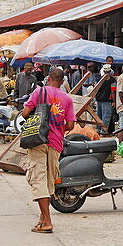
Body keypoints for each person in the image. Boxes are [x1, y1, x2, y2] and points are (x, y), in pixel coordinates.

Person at [21, 67, 76, 234]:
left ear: (49, 78)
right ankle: (42, 218)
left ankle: (47, 222)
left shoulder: (40, 92)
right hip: (56, 143)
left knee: (38, 179)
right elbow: (71, 125)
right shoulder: (67, 98)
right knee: (48, 181)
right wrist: (57, 125)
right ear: (62, 81)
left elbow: (25, 113)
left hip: (38, 140)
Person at [94, 64, 116, 133]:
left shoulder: (98, 79)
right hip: (107, 100)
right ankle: (104, 130)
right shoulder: (112, 80)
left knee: (99, 116)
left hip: (99, 99)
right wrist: (114, 101)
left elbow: (95, 89)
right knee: (106, 116)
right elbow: (113, 91)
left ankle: (98, 129)